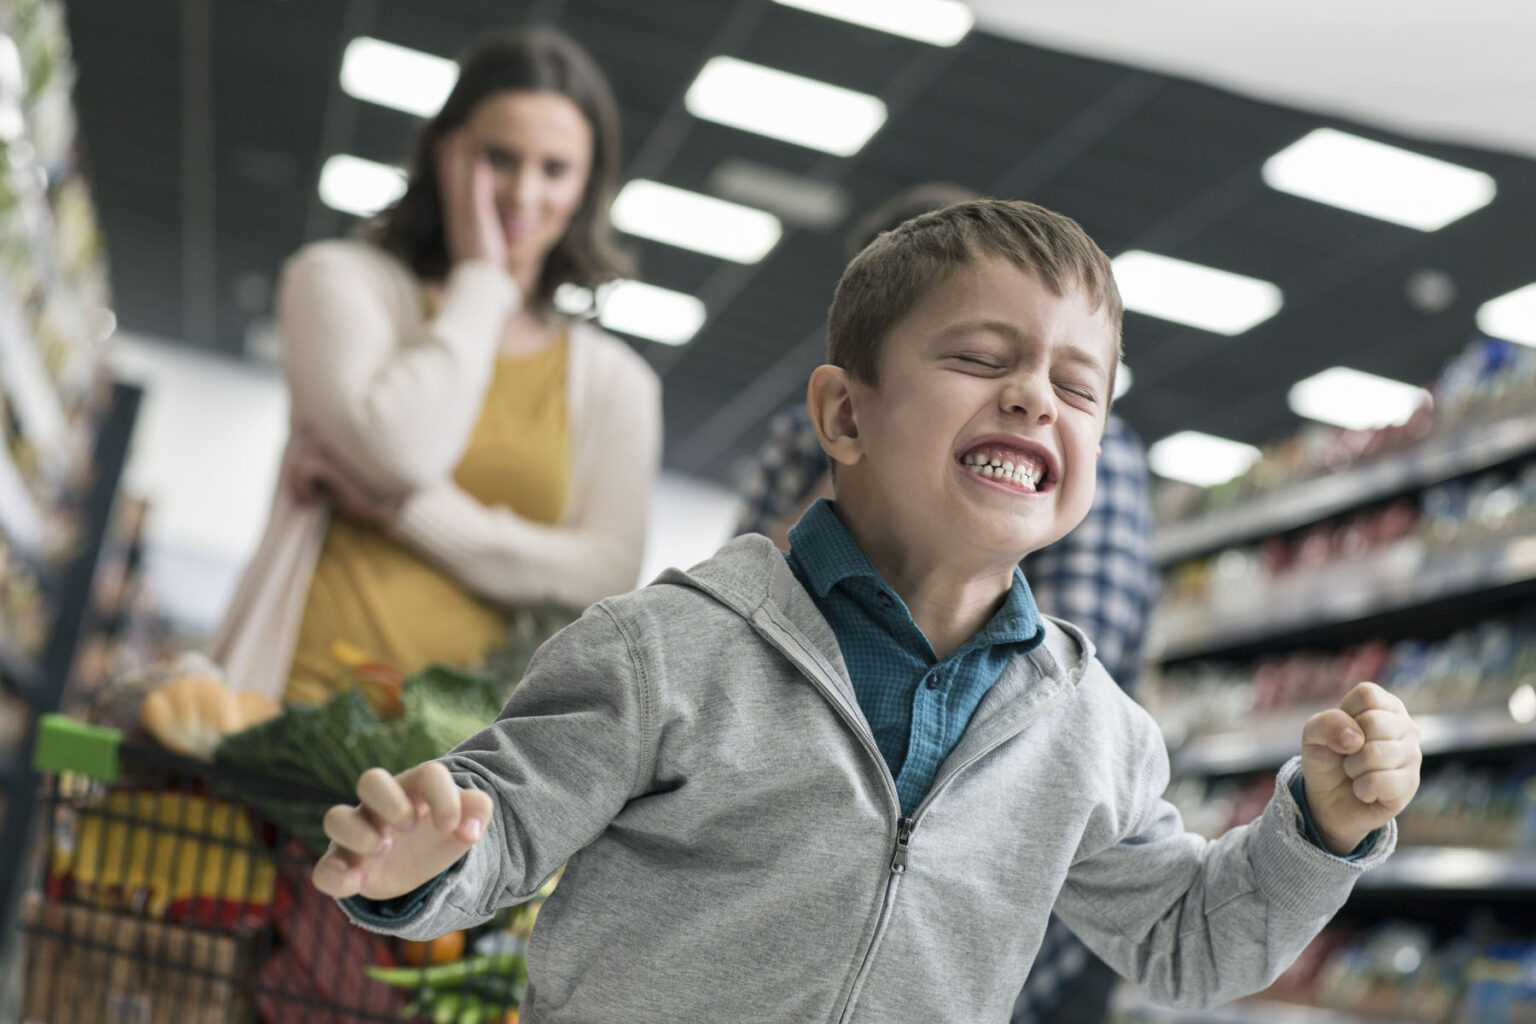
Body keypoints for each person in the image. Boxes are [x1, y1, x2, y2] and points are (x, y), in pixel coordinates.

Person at [311, 200, 1422, 1023]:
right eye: (983, 359)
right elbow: (505, 818)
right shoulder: (669, 648)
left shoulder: (1090, 733)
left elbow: (1189, 941)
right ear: (845, 413)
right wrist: (425, 858)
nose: (1037, 393)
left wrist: (1319, 832)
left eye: (1079, 387)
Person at [737, 186, 1156, 1024]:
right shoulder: (801, 439)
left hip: (1027, 925)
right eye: (963, 356)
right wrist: (873, 461)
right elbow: (745, 607)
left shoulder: (1083, 462)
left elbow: (1057, 684)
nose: (1026, 392)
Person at [209, 27, 661, 703]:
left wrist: (400, 514)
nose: (522, 194)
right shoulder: (340, 283)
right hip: (294, 709)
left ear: (587, 188)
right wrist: (483, 279)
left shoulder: (617, 383)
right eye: (498, 159)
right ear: (445, 151)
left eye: (555, 169)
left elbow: (606, 573)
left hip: (474, 767)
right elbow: (400, 452)